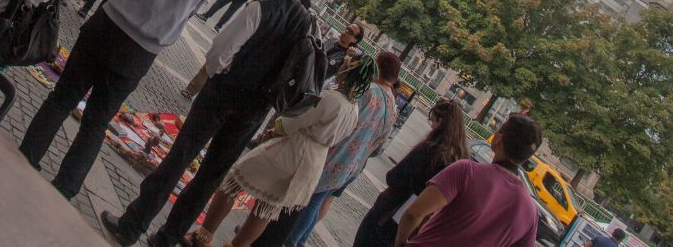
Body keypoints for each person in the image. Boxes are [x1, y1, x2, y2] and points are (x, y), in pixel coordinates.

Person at [18, 0, 231, 199]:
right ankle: (66, 186)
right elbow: (196, 3)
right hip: (142, 49)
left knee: (64, 95)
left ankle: (27, 154)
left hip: (109, 22)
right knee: (98, 119)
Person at [99, 0, 318, 247]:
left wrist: (220, 75)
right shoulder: (307, 24)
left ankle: (133, 224)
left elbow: (219, 52)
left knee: (179, 157)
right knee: (210, 177)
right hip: (256, 108)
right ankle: (167, 238)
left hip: (224, 92)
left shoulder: (259, 9)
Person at [184, 58, 379, 247]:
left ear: (348, 73)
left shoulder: (329, 98)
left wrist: (276, 129)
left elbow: (295, 121)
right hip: (314, 159)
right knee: (267, 206)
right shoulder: (353, 109)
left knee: (234, 182)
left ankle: (202, 237)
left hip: (294, 149)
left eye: (344, 66)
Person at [262, 51, 402, 246]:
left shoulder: (368, 91)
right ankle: (298, 239)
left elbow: (344, 118)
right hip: (353, 163)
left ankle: (286, 238)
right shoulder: (392, 105)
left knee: (305, 199)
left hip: (335, 152)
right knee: (317, 201)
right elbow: (379, 146)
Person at [395, 113, 543, 247]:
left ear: (499, 139)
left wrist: (400, 243)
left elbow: (413, 214)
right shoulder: (531, 212)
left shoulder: (466, 171)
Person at [352, 99, 469, 247]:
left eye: (432, 121)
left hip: (389, 213)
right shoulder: (460, 161)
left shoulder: (429, 150)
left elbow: (394, 177)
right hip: (418, 228)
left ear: (440, 121)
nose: (431, 126)